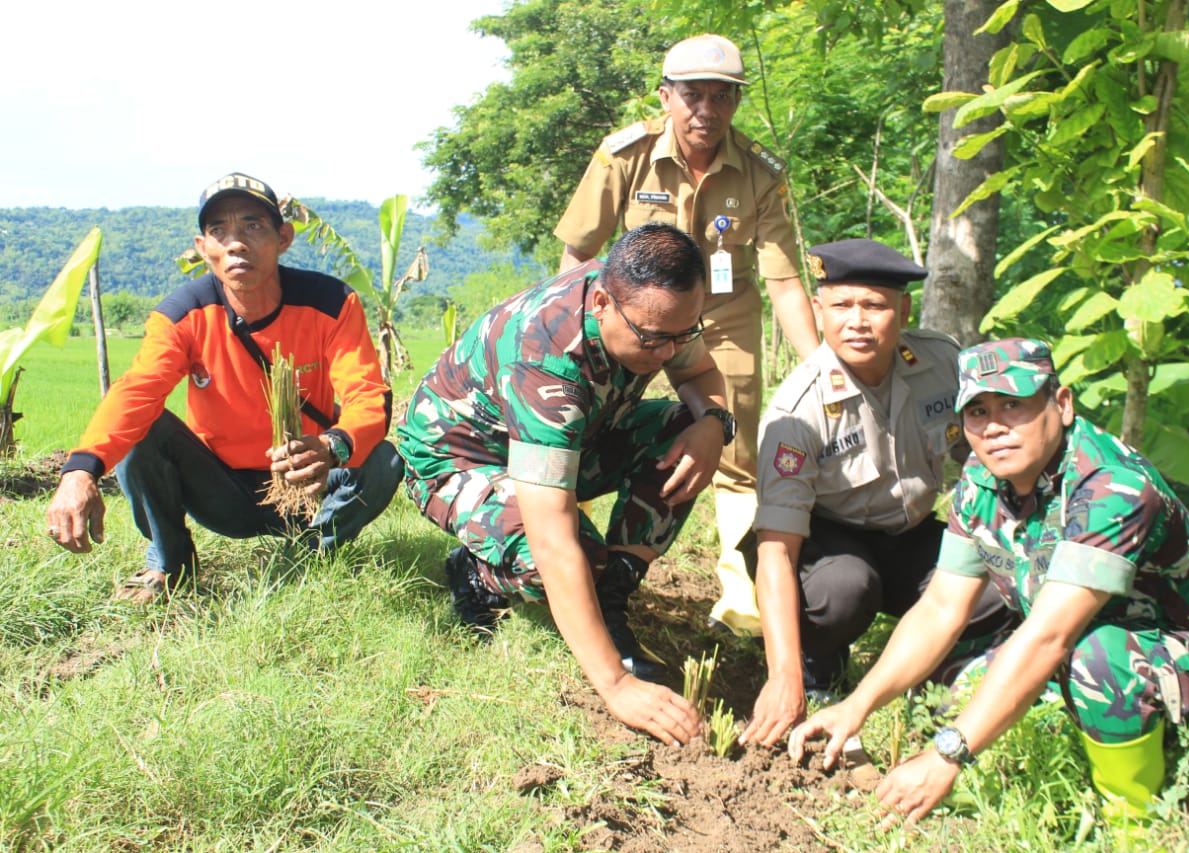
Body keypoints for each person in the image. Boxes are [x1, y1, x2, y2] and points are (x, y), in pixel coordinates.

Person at [788, 338, 1189, 828]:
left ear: (1063, 404)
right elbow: (941, 608)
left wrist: (947, 754)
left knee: (1102, 658)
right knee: (951, 681)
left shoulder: (1112, 487)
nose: (995, 428)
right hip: (1068, 644)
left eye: (1014, 405)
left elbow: (1050, 638)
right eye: (978, 411)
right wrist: (855, 706)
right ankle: (1056, 752)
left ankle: (1136, 822)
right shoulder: (982, 479)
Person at [398, 223, 732, 747]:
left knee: (680, 430)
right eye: (653, 339)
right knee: (560, 557)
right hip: (458, 459)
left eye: (681, 335)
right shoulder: (547, 357)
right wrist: (616, 685)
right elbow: (553, 538)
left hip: (568, 440)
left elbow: (701, 376)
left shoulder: (653, 308)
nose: (668, 354)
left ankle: (611, 597)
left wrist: (714, 424)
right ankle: (478, 576)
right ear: (601, 301)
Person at [554, 33, 821, 637]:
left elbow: (783, 281)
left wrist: (823, 366)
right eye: (693, 96)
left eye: (722, 97)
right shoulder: (626, 155)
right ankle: (574, 551)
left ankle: (740, 595)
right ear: (666, 96)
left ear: (735, 102)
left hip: (723, 317)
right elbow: (577, 255)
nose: (707, 111)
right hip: (631, 319)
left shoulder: (759, 173)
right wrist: (574, 340)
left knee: (734, 450)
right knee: (585, 424)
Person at [45, 172, 404, 602]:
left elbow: (369, 396)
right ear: (203, 249)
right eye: (219, 231)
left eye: (253, 226)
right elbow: (136, 391)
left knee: (382, 459)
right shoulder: (183, 315)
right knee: (143, 428)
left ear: (283, 238)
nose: (236, 242)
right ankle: (170, 562)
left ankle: (311, 556)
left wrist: (331, 447)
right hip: (225, 492)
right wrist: (80, 470)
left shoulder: (329, 303)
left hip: (312, 484)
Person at [738, 239, 1011, 748]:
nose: (857, 321)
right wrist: (783, 675)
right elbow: (776, 549)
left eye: (875, 305)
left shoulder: (942, 362)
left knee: (1000, 584)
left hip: (909, 531)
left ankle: (936, 678)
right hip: (829, 544)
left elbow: (982, 458)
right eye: (841, 305)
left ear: (904, 311)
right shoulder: (796, 411)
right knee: (844, 590)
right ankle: (816, 664)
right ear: (818, 311)